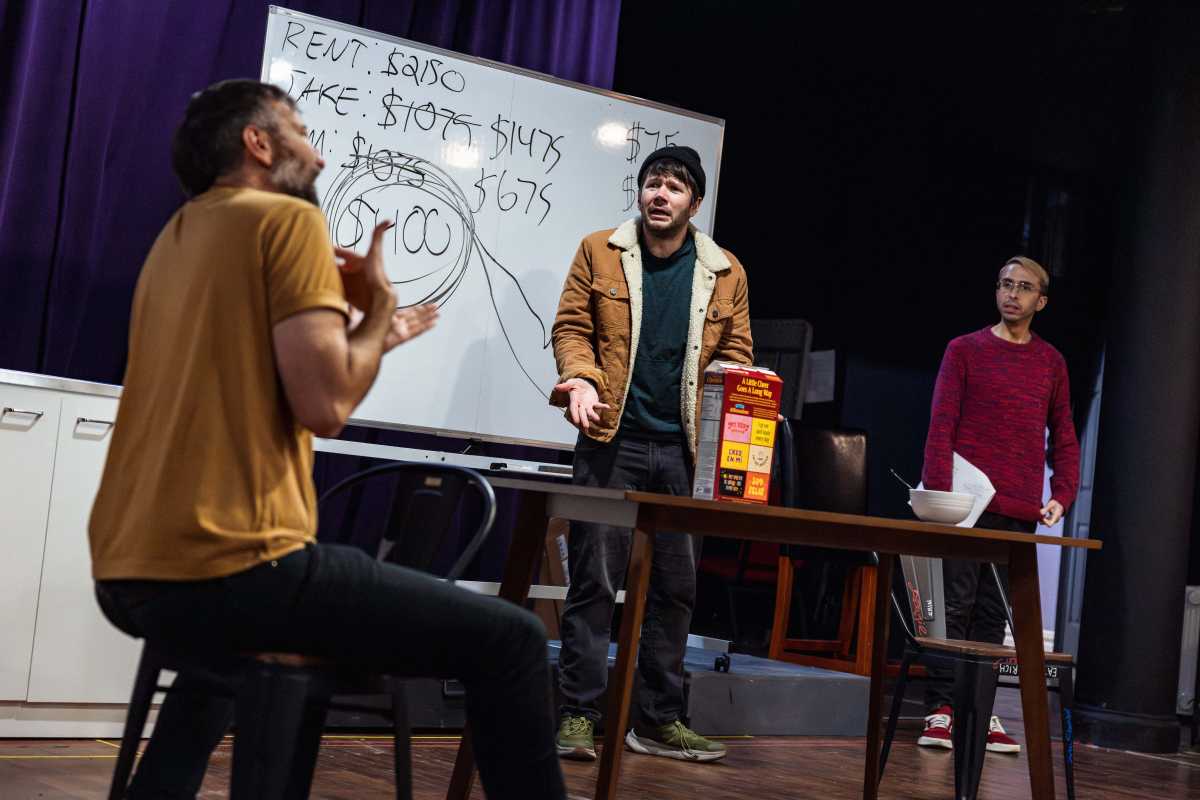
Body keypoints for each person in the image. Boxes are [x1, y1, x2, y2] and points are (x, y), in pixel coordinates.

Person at [88, 79, 565, 800]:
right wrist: (379, 308)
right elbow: (328, 405)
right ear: (259, 141)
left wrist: (373, 335)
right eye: (302, 131)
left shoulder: (181, 234)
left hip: (131, 572)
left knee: (222, 661)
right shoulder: (287, 221)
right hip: (236, 564)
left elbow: (279, 377)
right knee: (516, 640)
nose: (315, 153)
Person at [549, 145, 753, 763]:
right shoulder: (599, 250)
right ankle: (579, 715)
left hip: (685, 452)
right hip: (612, 442)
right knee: (593, 583)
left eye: (674, 186)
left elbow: (738, 354)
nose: (659, 194)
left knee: (676, 589)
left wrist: (733, 388)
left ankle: (658, 720)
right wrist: (581, 379)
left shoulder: (725, 270)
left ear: (695, 201)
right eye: (651, 183)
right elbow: (571, 327)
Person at [918, 255, 1080, 754]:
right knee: (952, 605)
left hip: (1019, 505)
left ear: (1041, 300)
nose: (1012, 294)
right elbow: (941, 425)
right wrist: (940, 495)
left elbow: (1064, 434)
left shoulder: (1050, 362)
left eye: (1024, 287)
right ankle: (942, 709)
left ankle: (980, 710)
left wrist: (1063, 494)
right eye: (1005, 285)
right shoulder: (964, 349)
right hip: (967, 501)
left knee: (993, 612)